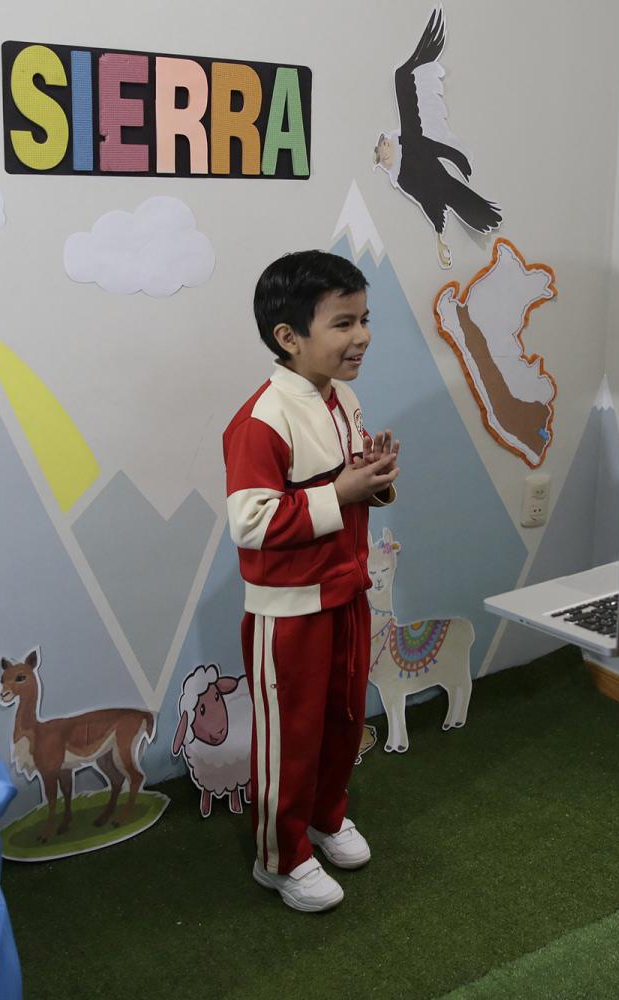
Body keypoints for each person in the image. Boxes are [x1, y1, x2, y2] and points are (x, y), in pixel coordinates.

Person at [222, 250, 401, 913]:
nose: (363, 336)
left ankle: (325, 818)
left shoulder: (342, 397)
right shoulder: (261, 420)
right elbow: (252, 523)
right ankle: (281, 857)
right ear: (289, 337)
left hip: (346, 594)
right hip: (290, 611)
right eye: (344, 323)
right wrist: (342, 491)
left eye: (365, 319)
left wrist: (373, 481)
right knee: (290, 737)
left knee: (343, 719)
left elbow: (343, 490)